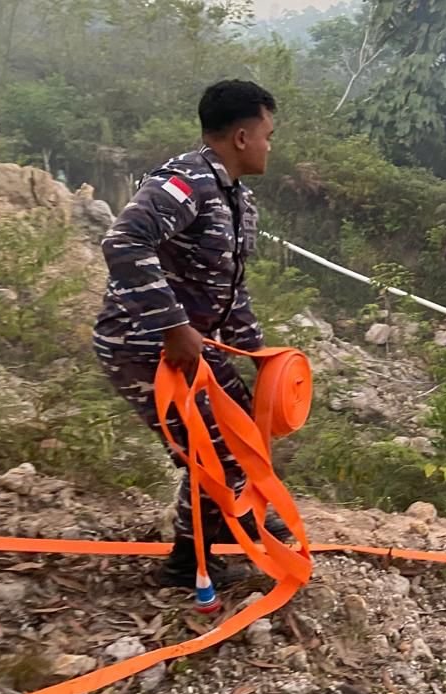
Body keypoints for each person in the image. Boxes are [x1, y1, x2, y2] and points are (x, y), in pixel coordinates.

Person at [92, 79, 292, 589]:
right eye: (268, 135)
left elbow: (228, 289)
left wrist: (258, 353)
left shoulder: (238, 201)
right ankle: (188, 564)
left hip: (192, 345)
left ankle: (235, 515)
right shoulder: (185, 183)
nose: (270, 146)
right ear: (242, 137)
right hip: (142, 343)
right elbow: (123, 242)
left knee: (244, 431)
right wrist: (173, 326)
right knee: (213, 450)